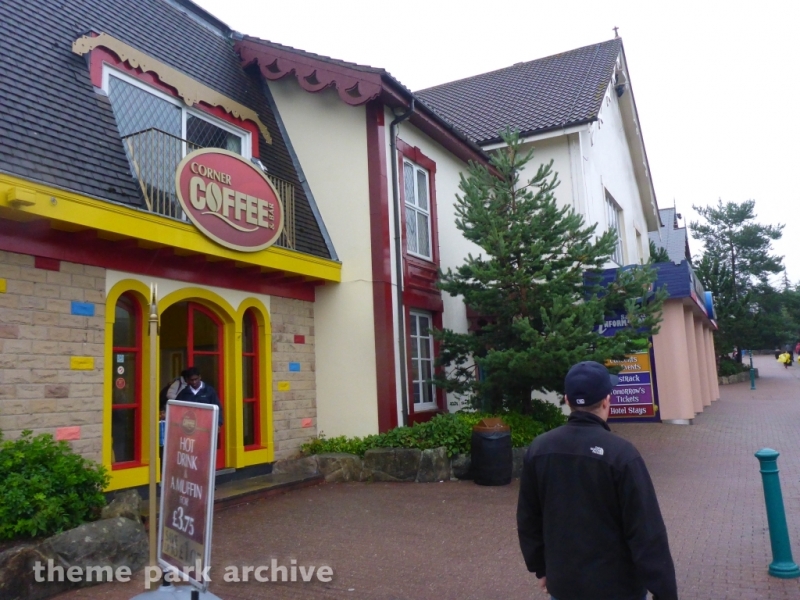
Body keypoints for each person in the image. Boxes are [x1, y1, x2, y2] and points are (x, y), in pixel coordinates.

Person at [517, 361, 677, 600]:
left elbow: (528, 519)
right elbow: (646, 531)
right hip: (618, 589)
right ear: (606, 401)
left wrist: (541, 568)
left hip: (563, 585)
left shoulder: (539, 449)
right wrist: (665, 592)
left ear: (567, 400)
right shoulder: (621, 455)